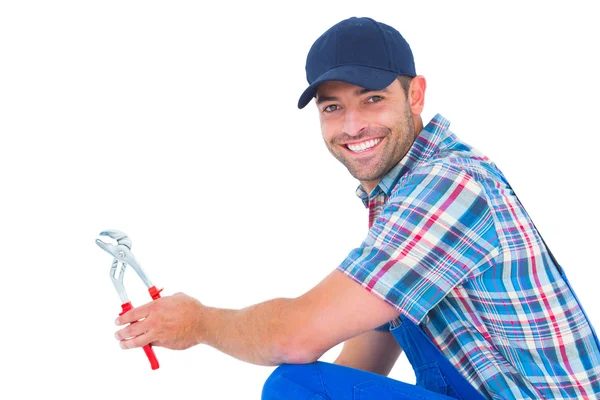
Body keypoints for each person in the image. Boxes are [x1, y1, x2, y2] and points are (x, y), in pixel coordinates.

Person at [113, 16, 600, 399]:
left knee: (292, 384)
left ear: (416, 95)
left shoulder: (446, 186)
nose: (352, 126)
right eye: (332, 107)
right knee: (304, 385)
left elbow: (296, 335)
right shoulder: (397, 198)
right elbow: (364, 360)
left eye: (372, 99)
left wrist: (199, 322)